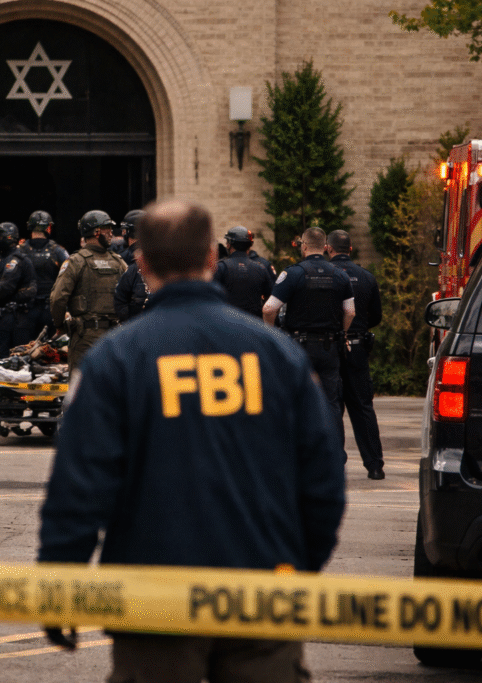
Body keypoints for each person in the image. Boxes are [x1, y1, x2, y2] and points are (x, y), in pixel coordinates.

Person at [38, 199, 346, 682]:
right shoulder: (276, 356)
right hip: (260, 587)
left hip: (151, 592)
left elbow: (78, 489)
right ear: (210, 259)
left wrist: (60, 588)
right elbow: (323, 477)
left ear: (141, 263)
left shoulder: (115, 360)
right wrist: (300, 566)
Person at [263, 226, 355, 436]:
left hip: (298, 348)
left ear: (304, 246)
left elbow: (269, 308)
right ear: (324, 247)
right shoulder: (341, 276)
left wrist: (272, 335)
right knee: (331, 402)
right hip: (329, 348)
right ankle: (335, 454)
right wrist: (344, 332)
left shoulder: (293, 273)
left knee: (295, 398)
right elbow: (350, 312)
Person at [326, 230, 385, 479]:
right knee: (362, 407)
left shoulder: (326, 276)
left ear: (329, 249)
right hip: (358, 348)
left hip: (331, 347)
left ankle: (334, 464)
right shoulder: (366, 277)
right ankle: (374, 466)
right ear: (351, 249)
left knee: (332, 407)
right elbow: (377, 317)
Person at [49, 209, 127, 371]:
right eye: (108, 229)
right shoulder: (119, 262)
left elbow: (57, 298)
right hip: (114, 337)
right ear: (96, 232)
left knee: (81, 388)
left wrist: (59, 325)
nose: (112, 233)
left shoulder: (75, 262)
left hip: (85, 337)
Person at [0, 221, 37, 358]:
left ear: (10, 237)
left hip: (19, 319)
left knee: (21, 359)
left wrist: (3, 293)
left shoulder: (23, 260)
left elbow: (31, 290)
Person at [17, 210, 69, 341]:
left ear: (30, 226)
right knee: (50, 353)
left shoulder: (19, 250)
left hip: (25, 312)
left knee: (22, 352)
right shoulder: (58, 251)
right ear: (48, 227)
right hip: (50, 311)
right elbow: (69, 279)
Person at [212, 225, 274, 317]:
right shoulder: (261, 268)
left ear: (229, 244)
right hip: (254, 325)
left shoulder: (221, 267)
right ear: (249, 245)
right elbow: (271, 298)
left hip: (226, 323)